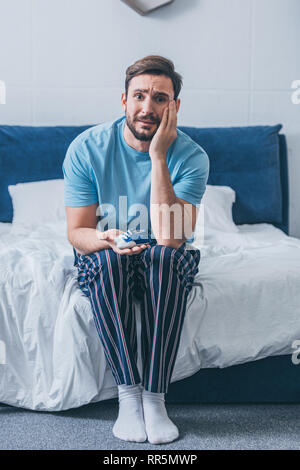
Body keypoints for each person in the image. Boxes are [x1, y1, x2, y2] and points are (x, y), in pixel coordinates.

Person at [62, 55, 209, 445]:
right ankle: (129, 396)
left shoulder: (192, 157)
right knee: (106, 259)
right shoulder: (87, 149)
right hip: (109, 251)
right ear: (123, 100)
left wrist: (158, 155)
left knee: (162, 257)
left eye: (160, 98)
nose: (148, 108)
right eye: (139, 96)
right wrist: (106, 237)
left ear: (174, 106)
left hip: (166, 251)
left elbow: (171, 238)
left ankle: (154, 398)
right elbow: (77, 232)